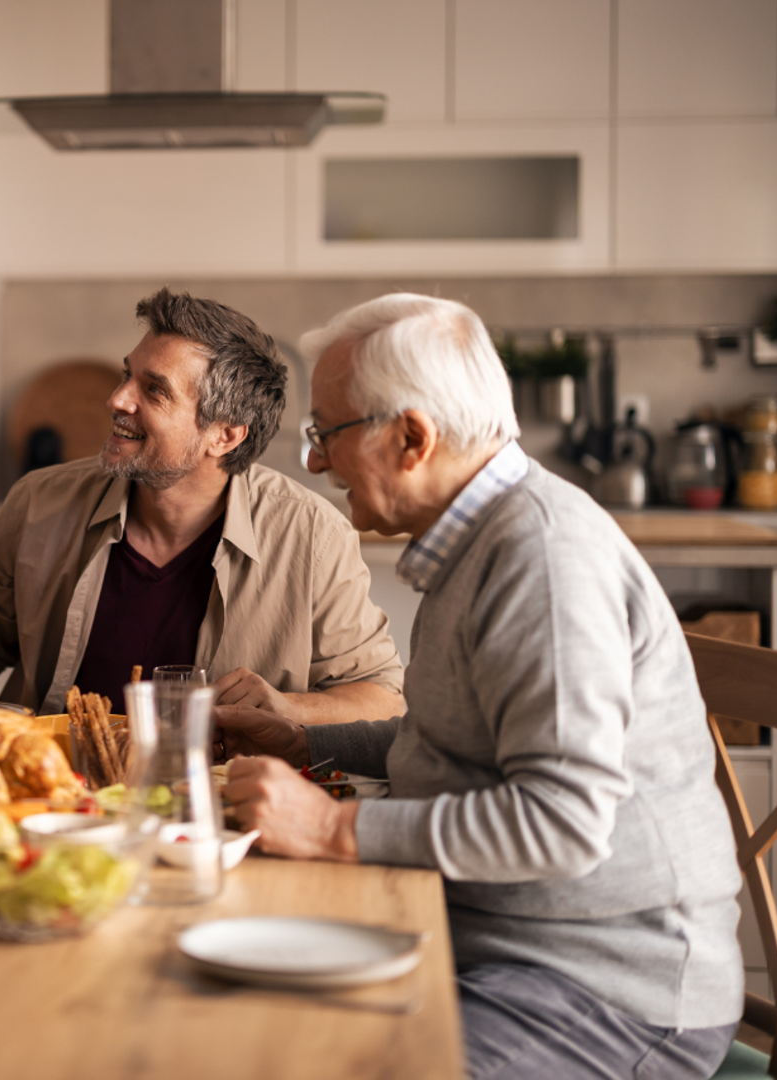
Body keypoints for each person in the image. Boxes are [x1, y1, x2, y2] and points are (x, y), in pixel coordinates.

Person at [221, 294, 740, 1079]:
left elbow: (561, 824)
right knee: (252, 1032)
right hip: (498, 947)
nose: (317, 462)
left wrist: (334, 832)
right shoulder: (478, 542)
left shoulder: (542, 559)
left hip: (604, 993)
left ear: (411, 437)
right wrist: (300, 734)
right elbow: (451, 740)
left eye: (326, 433)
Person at [0, 288, 405, 726]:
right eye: (127, 375)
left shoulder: (312, 535)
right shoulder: (38, 503)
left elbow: (383, 696)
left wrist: (286, 707)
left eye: (154, 390)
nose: (117, 399)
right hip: (58, 802)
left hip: (220, 802)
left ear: (225, 435)